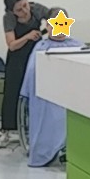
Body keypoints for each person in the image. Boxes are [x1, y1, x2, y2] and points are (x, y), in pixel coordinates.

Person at [0, 0, 63, 147]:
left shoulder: (37, 9)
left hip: (35, 54)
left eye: (25, 5)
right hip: (17, 57)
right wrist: (27, 37)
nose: (25, 10)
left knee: (36, 90)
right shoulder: (9, 18)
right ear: (12, 11)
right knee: (13, 92)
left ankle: (35, 125)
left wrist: (55, 28)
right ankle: (10, 130)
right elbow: (12, 45)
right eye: (19, 9)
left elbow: (56, 17)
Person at [20, 28, 83, 166]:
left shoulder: (77, 45)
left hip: (73, 93)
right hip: (48, 96)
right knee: (50, 119)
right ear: (48, 27)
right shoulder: (41, 48)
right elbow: (32, 74)